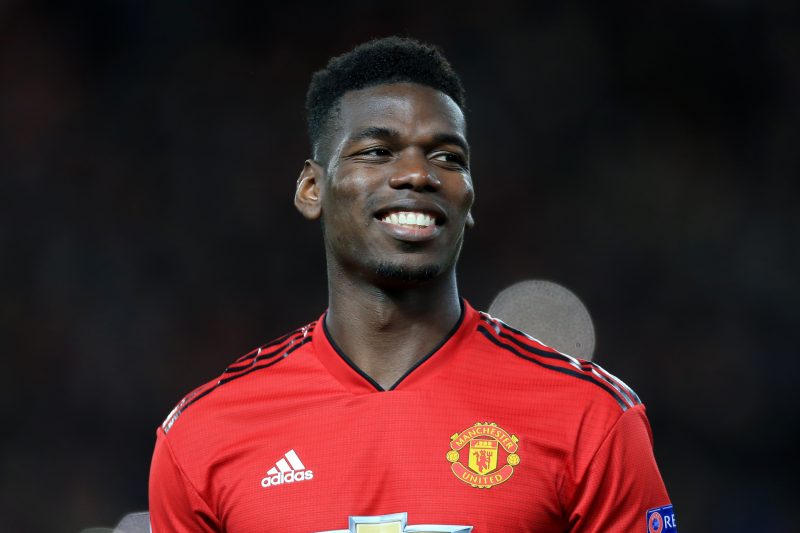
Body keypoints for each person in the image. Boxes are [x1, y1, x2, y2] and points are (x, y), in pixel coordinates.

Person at [149, 37, 676, 533]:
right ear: (312, 188)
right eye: (377, 151)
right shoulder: (205, 434)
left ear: (469, 198)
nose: (418, 174)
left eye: (448, 158)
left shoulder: (590, 417)